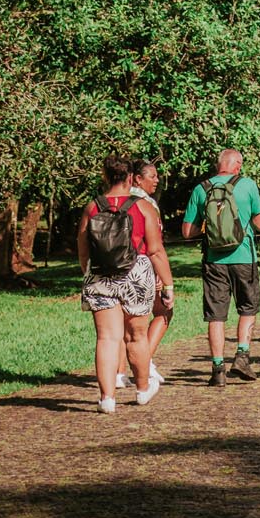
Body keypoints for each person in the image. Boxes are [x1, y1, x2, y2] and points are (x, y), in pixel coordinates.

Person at [78, 156, 175, 413]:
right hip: (136, 274)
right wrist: (168, 285)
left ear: (105, 176)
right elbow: (155, 251)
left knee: (107, 338)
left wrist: (89, 272)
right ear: (131, 178)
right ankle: (143, 389)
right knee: (137, 336)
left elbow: (83, 249)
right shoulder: (143, 207)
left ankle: (107, 398)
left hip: (100, 275)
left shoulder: (92, 207)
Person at [182, 148, 260, 387]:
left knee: (216, 315)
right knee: (248, 308)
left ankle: (218, 369)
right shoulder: (248, 185)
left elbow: (187, 231)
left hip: (213, 260)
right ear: (237, 165)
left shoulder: (201, 188)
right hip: (244, 258)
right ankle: (242, 355)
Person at [116, 158, 170, 390]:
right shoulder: (146, 203)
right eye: (152, 176)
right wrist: (162, 276)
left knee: (117, 326)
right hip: (141, 266)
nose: (157, 180)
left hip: (114, 267)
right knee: (163, 312)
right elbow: (154, 243)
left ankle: (118, 374)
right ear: (137, 178)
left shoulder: (116, 199)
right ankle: (144, 364)